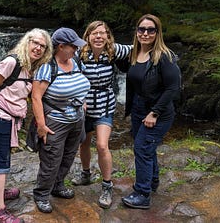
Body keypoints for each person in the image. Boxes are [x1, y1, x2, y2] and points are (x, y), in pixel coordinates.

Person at [0, 28, 53, 223]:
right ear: (26, 42)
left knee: (1, 159)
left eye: (42, 46)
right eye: (35, 43)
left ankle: (0, 192)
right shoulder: (12, 62)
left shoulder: (31, 67)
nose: (37, 48)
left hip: (8, 120)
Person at [120, 14, 181, 209]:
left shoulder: (165, 57)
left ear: (157, 33)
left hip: (158, 112)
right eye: (142, 29)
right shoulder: (135, 53)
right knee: (147, 147)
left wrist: (154, 113)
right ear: (136, 32)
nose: (145, 33)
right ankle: (152, 182)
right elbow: (124, 67)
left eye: (150, 30)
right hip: (139, 109)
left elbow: (173, 88)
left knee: (142, 148)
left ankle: (142, 194)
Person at [71, 21, 132, 209]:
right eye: (94, 33)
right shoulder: (78, 54)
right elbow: (70, 75)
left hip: (105, 104)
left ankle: (107, 186)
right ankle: (86, 174)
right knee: (84, 143)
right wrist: (78, 99)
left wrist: (161, 51)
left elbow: (136, 47)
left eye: (102, 33)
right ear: (87, 37)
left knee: (102, 145)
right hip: (84, 105)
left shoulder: (114, 50)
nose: (98, 37)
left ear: (108, 36)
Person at [32, 27, 91, 213]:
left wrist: (83, 102)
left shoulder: (76, 62)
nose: (76, 50)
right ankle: (41, 194)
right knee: (51, 159)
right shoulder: (47, 67)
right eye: (73, 47)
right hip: (55, 122)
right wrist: (41, 125)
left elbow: (82, 84)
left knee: (68, 156)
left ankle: (57, 186)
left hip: (76, 120)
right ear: (60, 46)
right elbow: (35, 97)